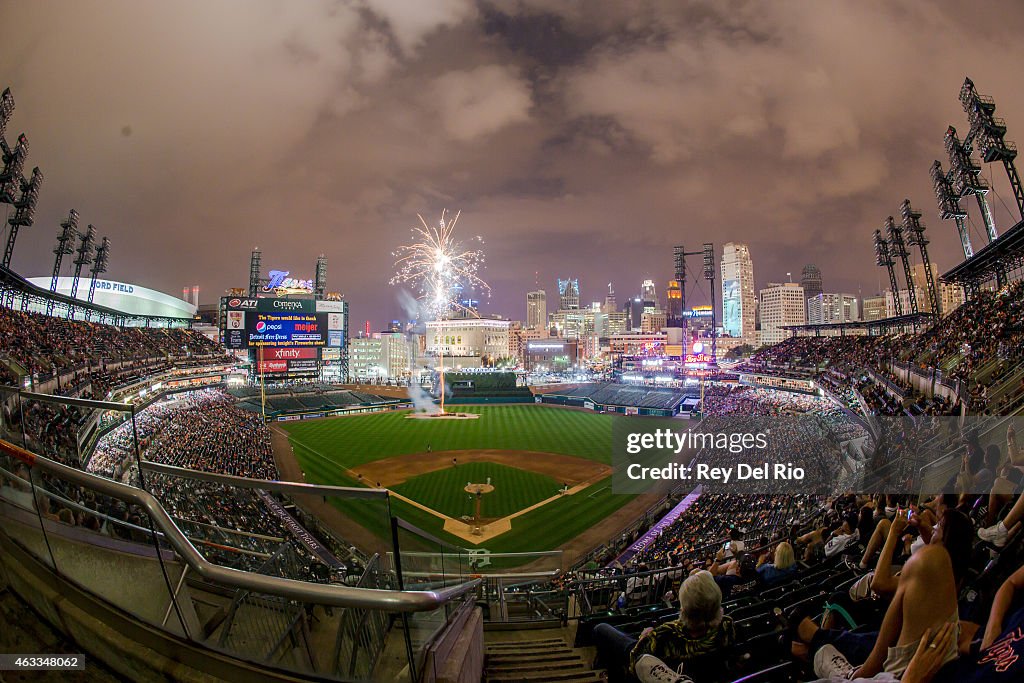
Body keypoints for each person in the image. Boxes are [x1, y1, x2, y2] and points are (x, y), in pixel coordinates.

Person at [593, 570, 735, 682]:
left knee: (601, 628)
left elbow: (635, 658)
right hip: (701, 670)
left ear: (684, 607)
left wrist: (644, 638)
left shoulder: (665, 634)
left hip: (657, 663)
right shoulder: (727, 625)